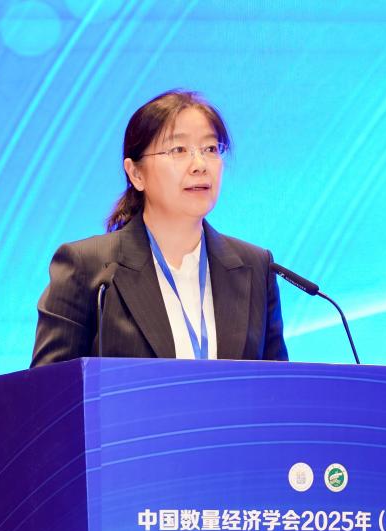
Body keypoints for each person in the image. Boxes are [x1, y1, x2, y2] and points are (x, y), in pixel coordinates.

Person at [31, 90, 288, 366]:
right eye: (179, 150)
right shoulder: (89, 269)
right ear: (136, 174)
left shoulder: (255, 267)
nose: (200, 165)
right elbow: (50, 387)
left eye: (210, 149)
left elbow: (278, 386)